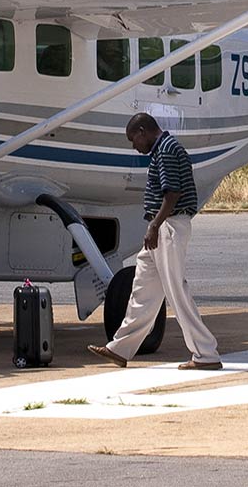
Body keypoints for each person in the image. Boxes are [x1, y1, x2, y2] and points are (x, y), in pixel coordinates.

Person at [87, 112, 223, 371]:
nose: (134, 146)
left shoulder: (167, 150)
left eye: (133, 140)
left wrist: (154, 225)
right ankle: (120, 348)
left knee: (176, 291)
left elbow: (172, 193)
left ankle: (206, 354)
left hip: (168, 227)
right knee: (143, 291)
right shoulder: (164, 149)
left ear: (142, 131)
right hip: (163, 228)